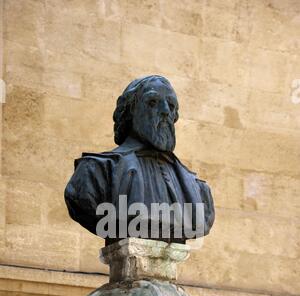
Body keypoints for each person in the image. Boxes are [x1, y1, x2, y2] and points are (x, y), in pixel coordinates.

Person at [65, 75, 215, 244]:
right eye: (152, 102)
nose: (166, 110)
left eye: (171, 105)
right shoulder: (95, 172)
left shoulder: (198, 189)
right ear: (130, 112)